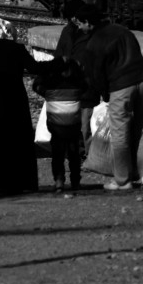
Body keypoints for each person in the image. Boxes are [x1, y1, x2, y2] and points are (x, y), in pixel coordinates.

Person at [74, 4, 143, 191]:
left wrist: (105, 95)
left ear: (88, 22)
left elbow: (96, 77)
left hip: (120, 87)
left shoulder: (93, 44)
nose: (79, 28)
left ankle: (122, 180)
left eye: (79, 24)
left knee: (120, 133)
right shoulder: (123, 31)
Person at [0, 18, 58, 195]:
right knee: (17, 141)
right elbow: (35, 67)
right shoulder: (17, 49)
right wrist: (59, 62)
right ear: (11, 32)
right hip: (14, 99)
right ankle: (21, 182)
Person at [32, 55, 86, 192]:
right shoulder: (76, 78)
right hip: (73, 121)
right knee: (74, 151)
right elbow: (86, 87)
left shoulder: (50, 81)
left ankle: (59, 180)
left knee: (57, 151)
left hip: (55, 123)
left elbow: (36, 86)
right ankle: (75, 181)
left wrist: (48, 95)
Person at [54, 0, 98, 154]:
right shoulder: (67, 31)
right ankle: (76, 152)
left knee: (86, 124)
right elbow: (59, 55)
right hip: (70, 86)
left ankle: (90, 155)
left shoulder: (90, 34)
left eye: (75, 16)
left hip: (85, 87)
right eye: (71, 17)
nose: (73, 19)